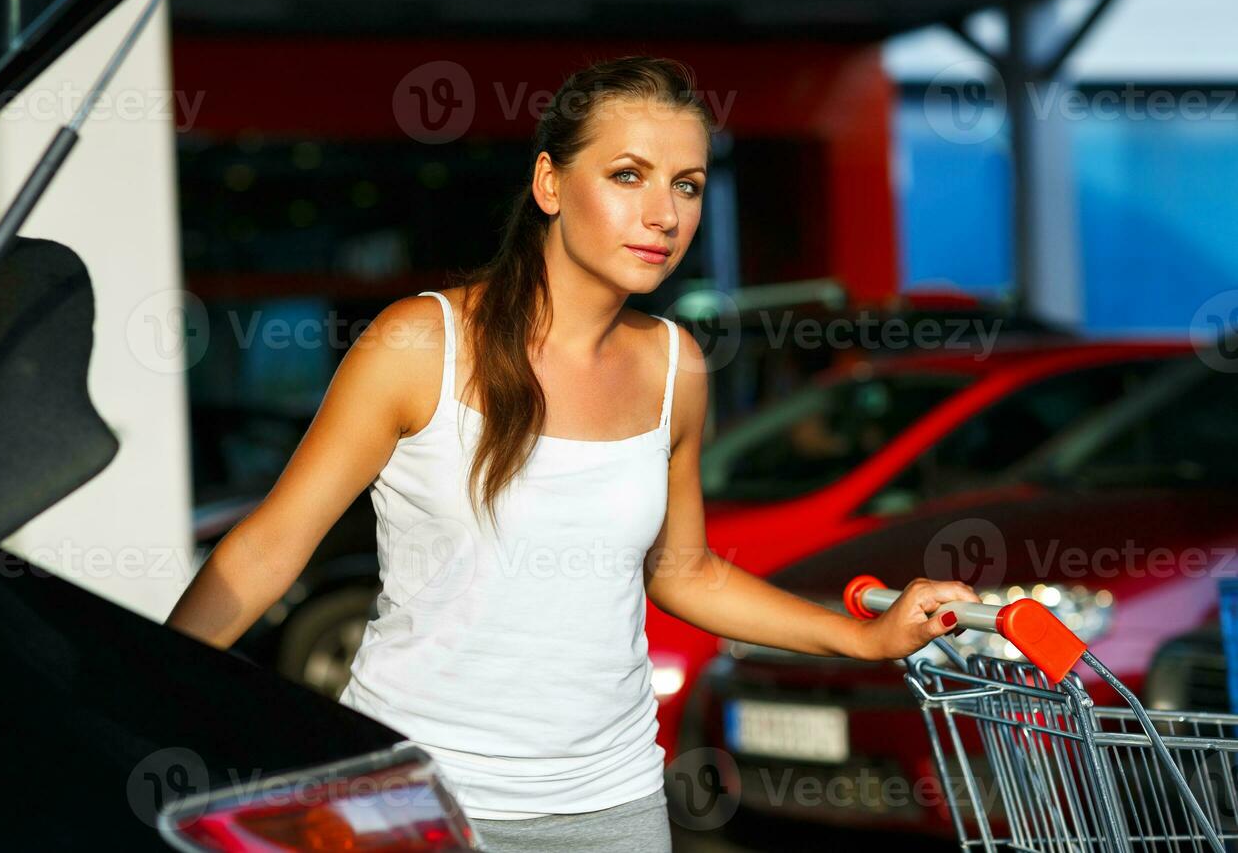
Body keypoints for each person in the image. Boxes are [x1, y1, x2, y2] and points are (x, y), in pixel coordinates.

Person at [164, 55, 977, 851]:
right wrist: (132, 700)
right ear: (550, 183)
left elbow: (682, 571)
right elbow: (272, 546)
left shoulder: (675, 366)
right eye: (629, 175)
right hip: (421, 800)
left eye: (687, 185)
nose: (665, 214)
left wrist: (860, 637)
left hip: (611, 808)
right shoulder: (421, 343)